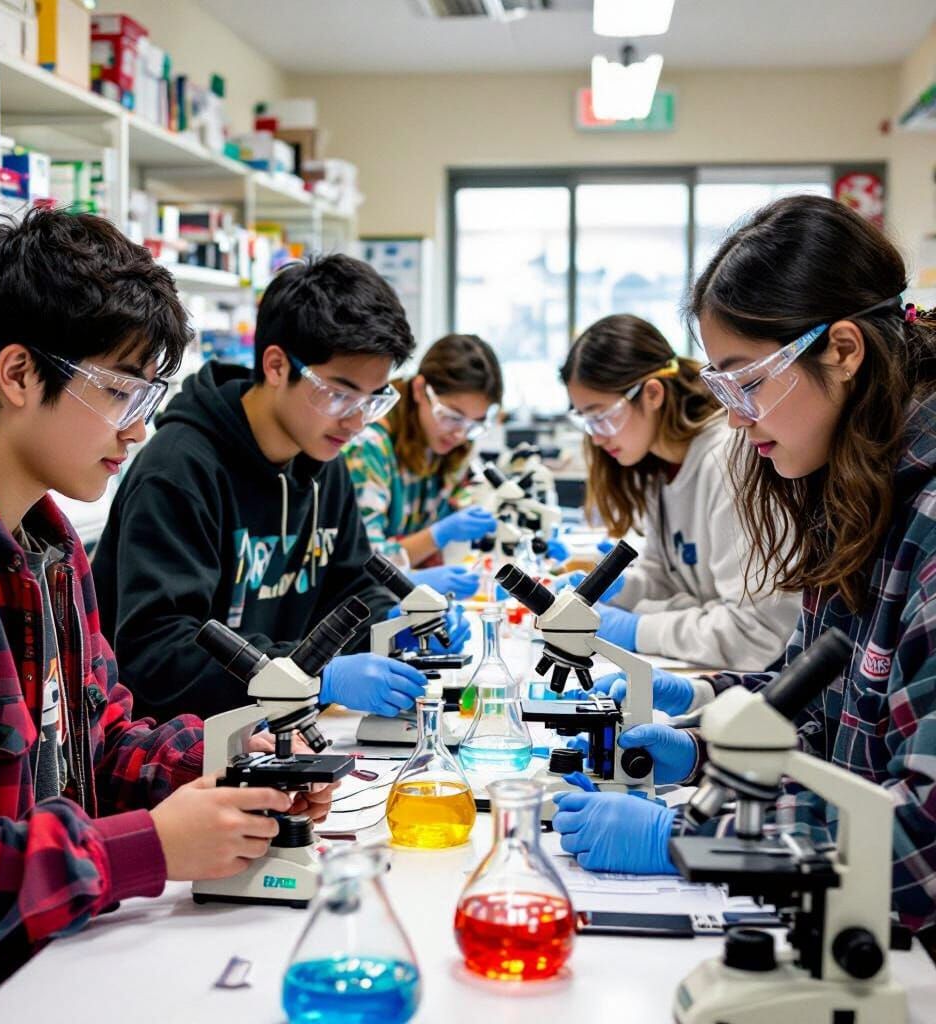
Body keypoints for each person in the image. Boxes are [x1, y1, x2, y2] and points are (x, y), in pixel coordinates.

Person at [0, 210, 333, 1020]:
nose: (138, 428)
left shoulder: (48, 543)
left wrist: (234, 762)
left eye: (150, 395)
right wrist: (150, 847)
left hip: (57, 964)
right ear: (18, 374)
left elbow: (97, 744)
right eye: (118, 391)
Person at [552, 195, 936, 940]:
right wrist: (700, 744)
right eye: (722, 387)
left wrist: (696, 838)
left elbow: (923, 844)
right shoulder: (856, 492)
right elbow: (818, 711)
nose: (732, 419)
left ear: (845, 351)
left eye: (747, 382)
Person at [93, 255, 468, 725]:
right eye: (339, 394)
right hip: (177, 751)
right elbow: (158, 656)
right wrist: (314, 675)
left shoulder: (321, 457)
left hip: (278, 729)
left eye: (373, 400)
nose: (355, 422)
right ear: (275, 365)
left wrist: (398, 620)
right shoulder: (179, 470)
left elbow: (350, 586)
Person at [560, 314, 800, 670]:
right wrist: (617, 589)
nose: (596, 436)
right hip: (713, 670)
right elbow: (669, 578)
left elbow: (755, 631)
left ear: (653, 393)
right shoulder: (661, 466)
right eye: (585, 421)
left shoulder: (728, 458)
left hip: (759, 684)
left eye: (601, 416)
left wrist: (636, 629)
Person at [343, 333, 504, 600]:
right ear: (420, 390)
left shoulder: (451, 449)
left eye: (473, 424)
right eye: (452, 416)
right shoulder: (369, 447)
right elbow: (366, 562)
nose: (459, 434)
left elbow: (462, 505)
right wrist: (437, 535)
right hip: (367, 604)